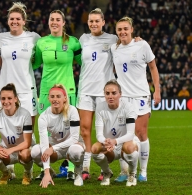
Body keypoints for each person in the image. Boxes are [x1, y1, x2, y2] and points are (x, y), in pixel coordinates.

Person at [32, 9, 82, 181]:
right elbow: (33, 64)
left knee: (69, 130)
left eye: (58, 19)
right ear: (48, 22)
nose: (54, 22)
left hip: (67, 92)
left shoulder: (73, 42)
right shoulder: (41, 42)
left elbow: (85, 63)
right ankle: (46, 168)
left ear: (63, 23)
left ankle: (68, 167)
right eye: (51, 19)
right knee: (45, 130)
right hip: (46, 92)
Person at [111, 16, 161, 182]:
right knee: (121, 134)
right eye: (119, 29)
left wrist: (157, 91)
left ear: (132, 30)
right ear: (116, 32)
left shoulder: (142, 45)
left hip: (140, 96)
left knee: (140, 133)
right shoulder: (114, 48)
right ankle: (124, 171)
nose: (123, 32)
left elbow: (153, 68)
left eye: (126, 29)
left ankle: (143, 171)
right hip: (122, 98)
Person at [0, 2, 40, 179]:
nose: (14, 21)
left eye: (17, 19)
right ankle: (9, 168)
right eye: (11, 19)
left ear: (24, 21)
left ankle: (29, 169)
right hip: (5, 91)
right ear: (8, 21)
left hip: (27, 91)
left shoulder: (34, 37)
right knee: (6, 130)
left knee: (28, 132)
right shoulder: (0, 38)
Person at [77, 8, 118, 181]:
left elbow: (127, 45)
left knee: (105, 131)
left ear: (103, 22)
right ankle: (85, 167)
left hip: (104, 93)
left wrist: (136, 40)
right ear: (88, 23)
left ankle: (104, 168)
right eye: (91, 21)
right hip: (85, 90)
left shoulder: (112, 39)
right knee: (85, 130)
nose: (94, 24)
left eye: (97, 21)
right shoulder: (83, 39)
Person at [31, 84, 85, 188]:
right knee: (35, 151)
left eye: (58, 96)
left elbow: (74, 138)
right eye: (52, 96)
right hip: (55, 148)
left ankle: (78, 173)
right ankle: (50, 172)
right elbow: (44, 144)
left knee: (76, 151)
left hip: (71, 145)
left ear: (65, 98)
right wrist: (46, 172)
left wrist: (53, 148)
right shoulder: (43, 117)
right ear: (48, 98)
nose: (55, 99)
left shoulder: (72, 111)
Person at [92, 79, 139, 187]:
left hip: (125, 143)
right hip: (110, 146)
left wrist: (115, 142)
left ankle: (132, 174)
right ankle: (107, 172)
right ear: (104, 95)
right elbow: (99, 134)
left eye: (114, 93)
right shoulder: (100, 107)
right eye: (107, 93)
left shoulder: (128, 107)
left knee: (130, 148)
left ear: (120, 94)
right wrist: (106, 142)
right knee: (94, 149)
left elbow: (131, 134)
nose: (110, 96)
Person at [0, 83, 34, 185]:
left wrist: (10, 150)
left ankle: (27, 173)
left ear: (15, 99)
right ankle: (5, 172)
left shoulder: (25, 114)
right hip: (6, 149)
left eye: (9, 98)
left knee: (25, 154)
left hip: (22, 149)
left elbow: (27, 142)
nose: (6, 101)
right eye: (3, 98)